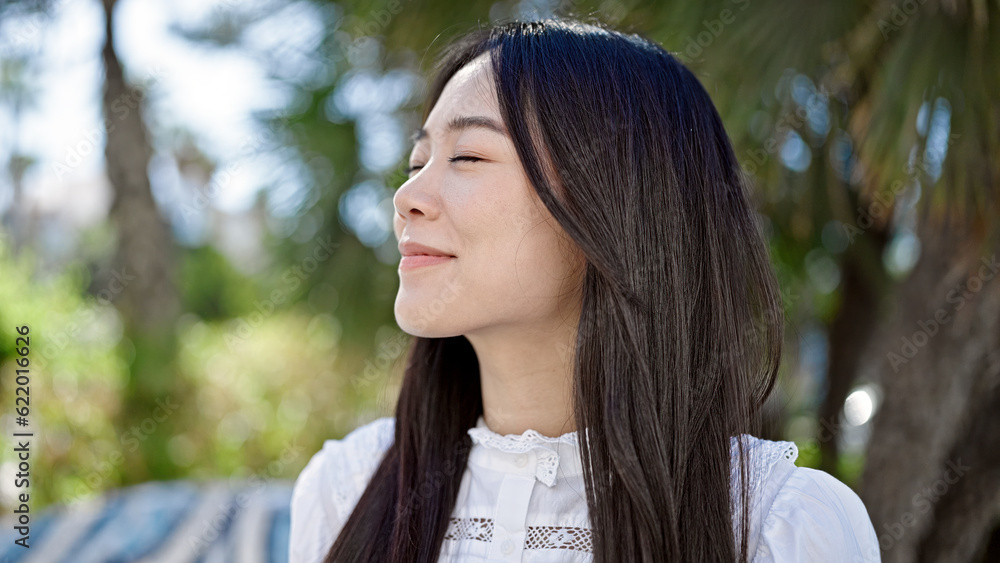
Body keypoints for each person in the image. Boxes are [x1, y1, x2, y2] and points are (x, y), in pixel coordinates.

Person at [289, 17, 880, 563]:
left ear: (616, 208)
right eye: (417, 162)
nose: (406, 197)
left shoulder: (780, 525)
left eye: (467, 155)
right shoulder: (346, 488)